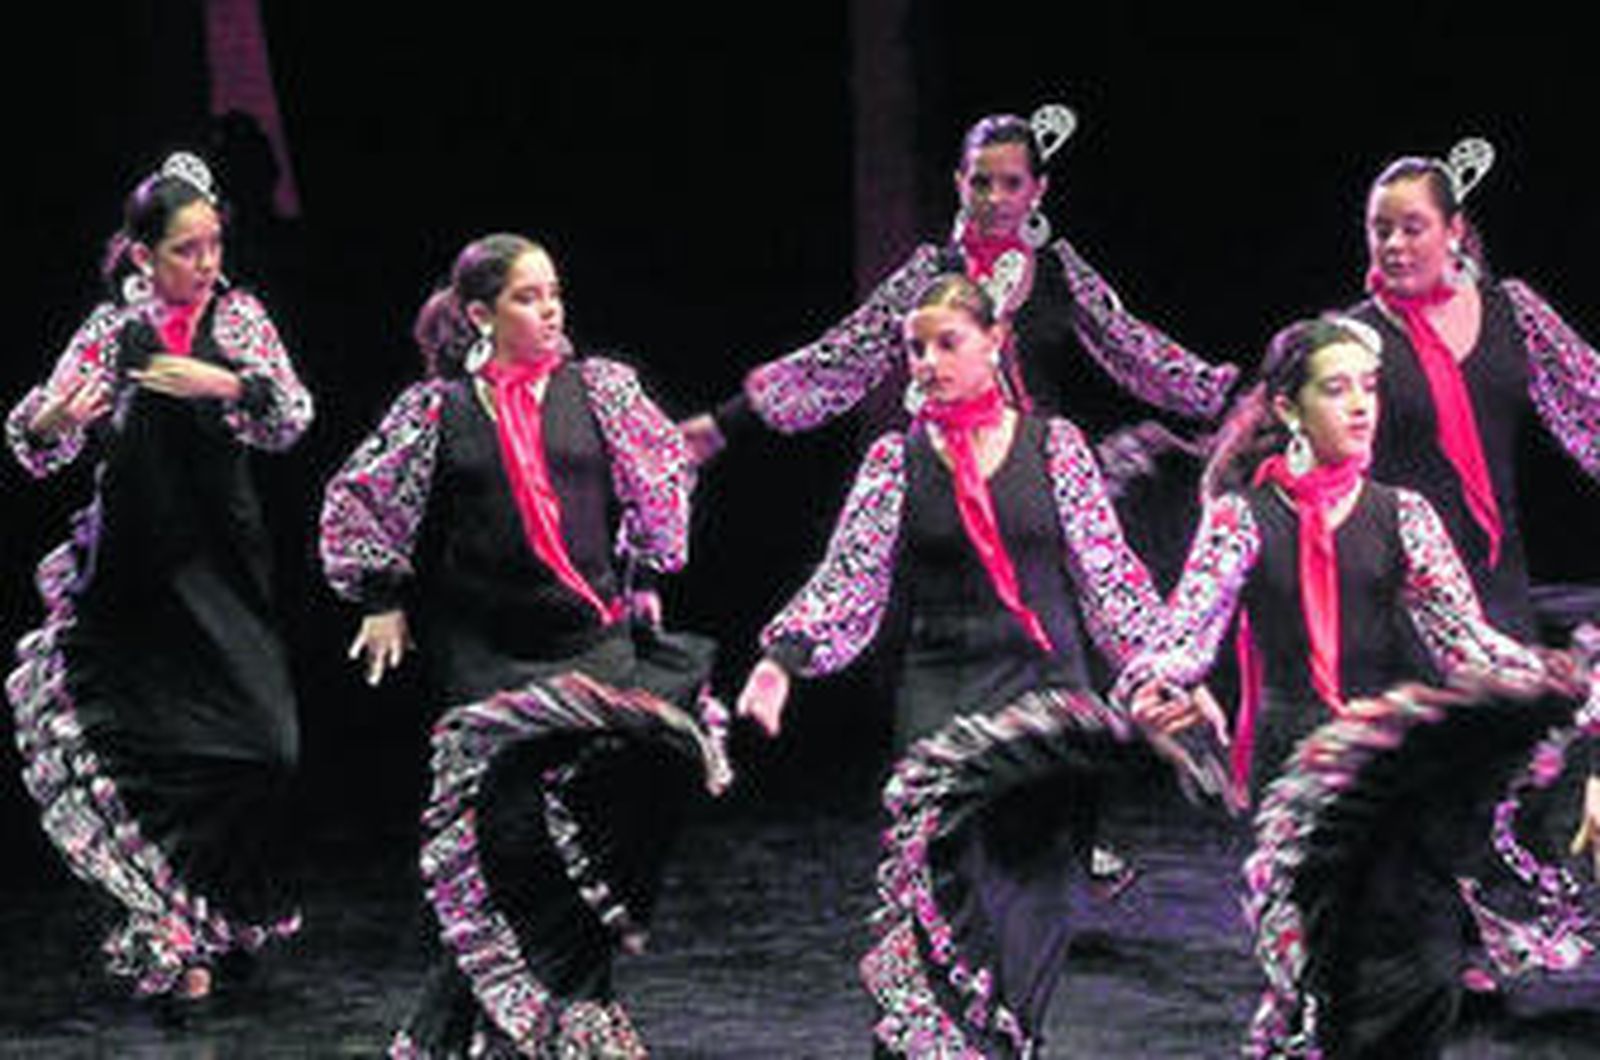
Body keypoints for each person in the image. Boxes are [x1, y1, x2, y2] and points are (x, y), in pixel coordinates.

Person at [736, 273, 1223, 1058]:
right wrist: (780, 662)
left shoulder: (1054, 448)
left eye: (946, 344)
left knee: (1032, 909)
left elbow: (1111, 579)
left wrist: (1170, 673)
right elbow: (847, 578)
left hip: (1048, 705)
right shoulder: (896, 462)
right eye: (914, 349)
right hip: (943, 704)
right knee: (943, 905)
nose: (926, 362)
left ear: (996, 344)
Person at [1116, 315, 1596, 1058]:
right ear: (1287, 408)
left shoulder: (1404, 516)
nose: (1363, 406)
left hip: (1387, 764)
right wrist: (1153, 682)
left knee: (1427, 971)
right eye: (1337, 390)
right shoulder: (1240, 521)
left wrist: (1564, 686)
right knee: (1328, 975)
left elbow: (1467, 643)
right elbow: (1186, 633)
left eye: (1369, 388)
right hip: (1296, 770)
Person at [319, 233, 727, 1058]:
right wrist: (380, 597)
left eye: (554, 294)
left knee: (597, 813)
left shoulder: (602, 389)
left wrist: (646, 571)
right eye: (527, 298)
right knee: (505, 838)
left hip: (590, 643)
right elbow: (361, 498)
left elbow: (660, 482)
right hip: (490, 650)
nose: (549, 311)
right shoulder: (439, 409)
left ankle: (572, 1007)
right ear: (480, 314)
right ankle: (520, 1018)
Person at [5, 152, 313, 1002]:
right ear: (143, 256)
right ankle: (171, 930)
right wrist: (53, 417)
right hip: (134, 564)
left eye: (213, 245)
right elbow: (38, 437)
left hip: (220, 557)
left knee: (265, 749)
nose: (206, 263)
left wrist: (227, 382)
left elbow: (291, 416)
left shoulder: (239, 318)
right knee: (146, 749)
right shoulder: (113, 331)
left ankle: (211, 910)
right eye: (186, 249)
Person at [1354, 138, 1600, 963]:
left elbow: (1590, 402)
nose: (1393, 245)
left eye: (1412, 227)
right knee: (1422, 776)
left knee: (1507, 772)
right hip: (1399, 593)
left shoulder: (1511, 313)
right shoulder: (1353, 340)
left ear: (1456, 230)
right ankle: (1440, 944)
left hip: (1499, 580)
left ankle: (1477, 926)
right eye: (1379, 230)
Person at [682, 107, 1239, 459]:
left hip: (1038, 474)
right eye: (980, 182)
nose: (994, 198)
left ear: (1037, 189)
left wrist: (1241, 400)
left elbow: (1135, 347)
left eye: (1010, 183)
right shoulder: (929, 275)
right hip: (942, 466)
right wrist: (727, 421)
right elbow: (840, 356)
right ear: (959, 183)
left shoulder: (1060, 271)